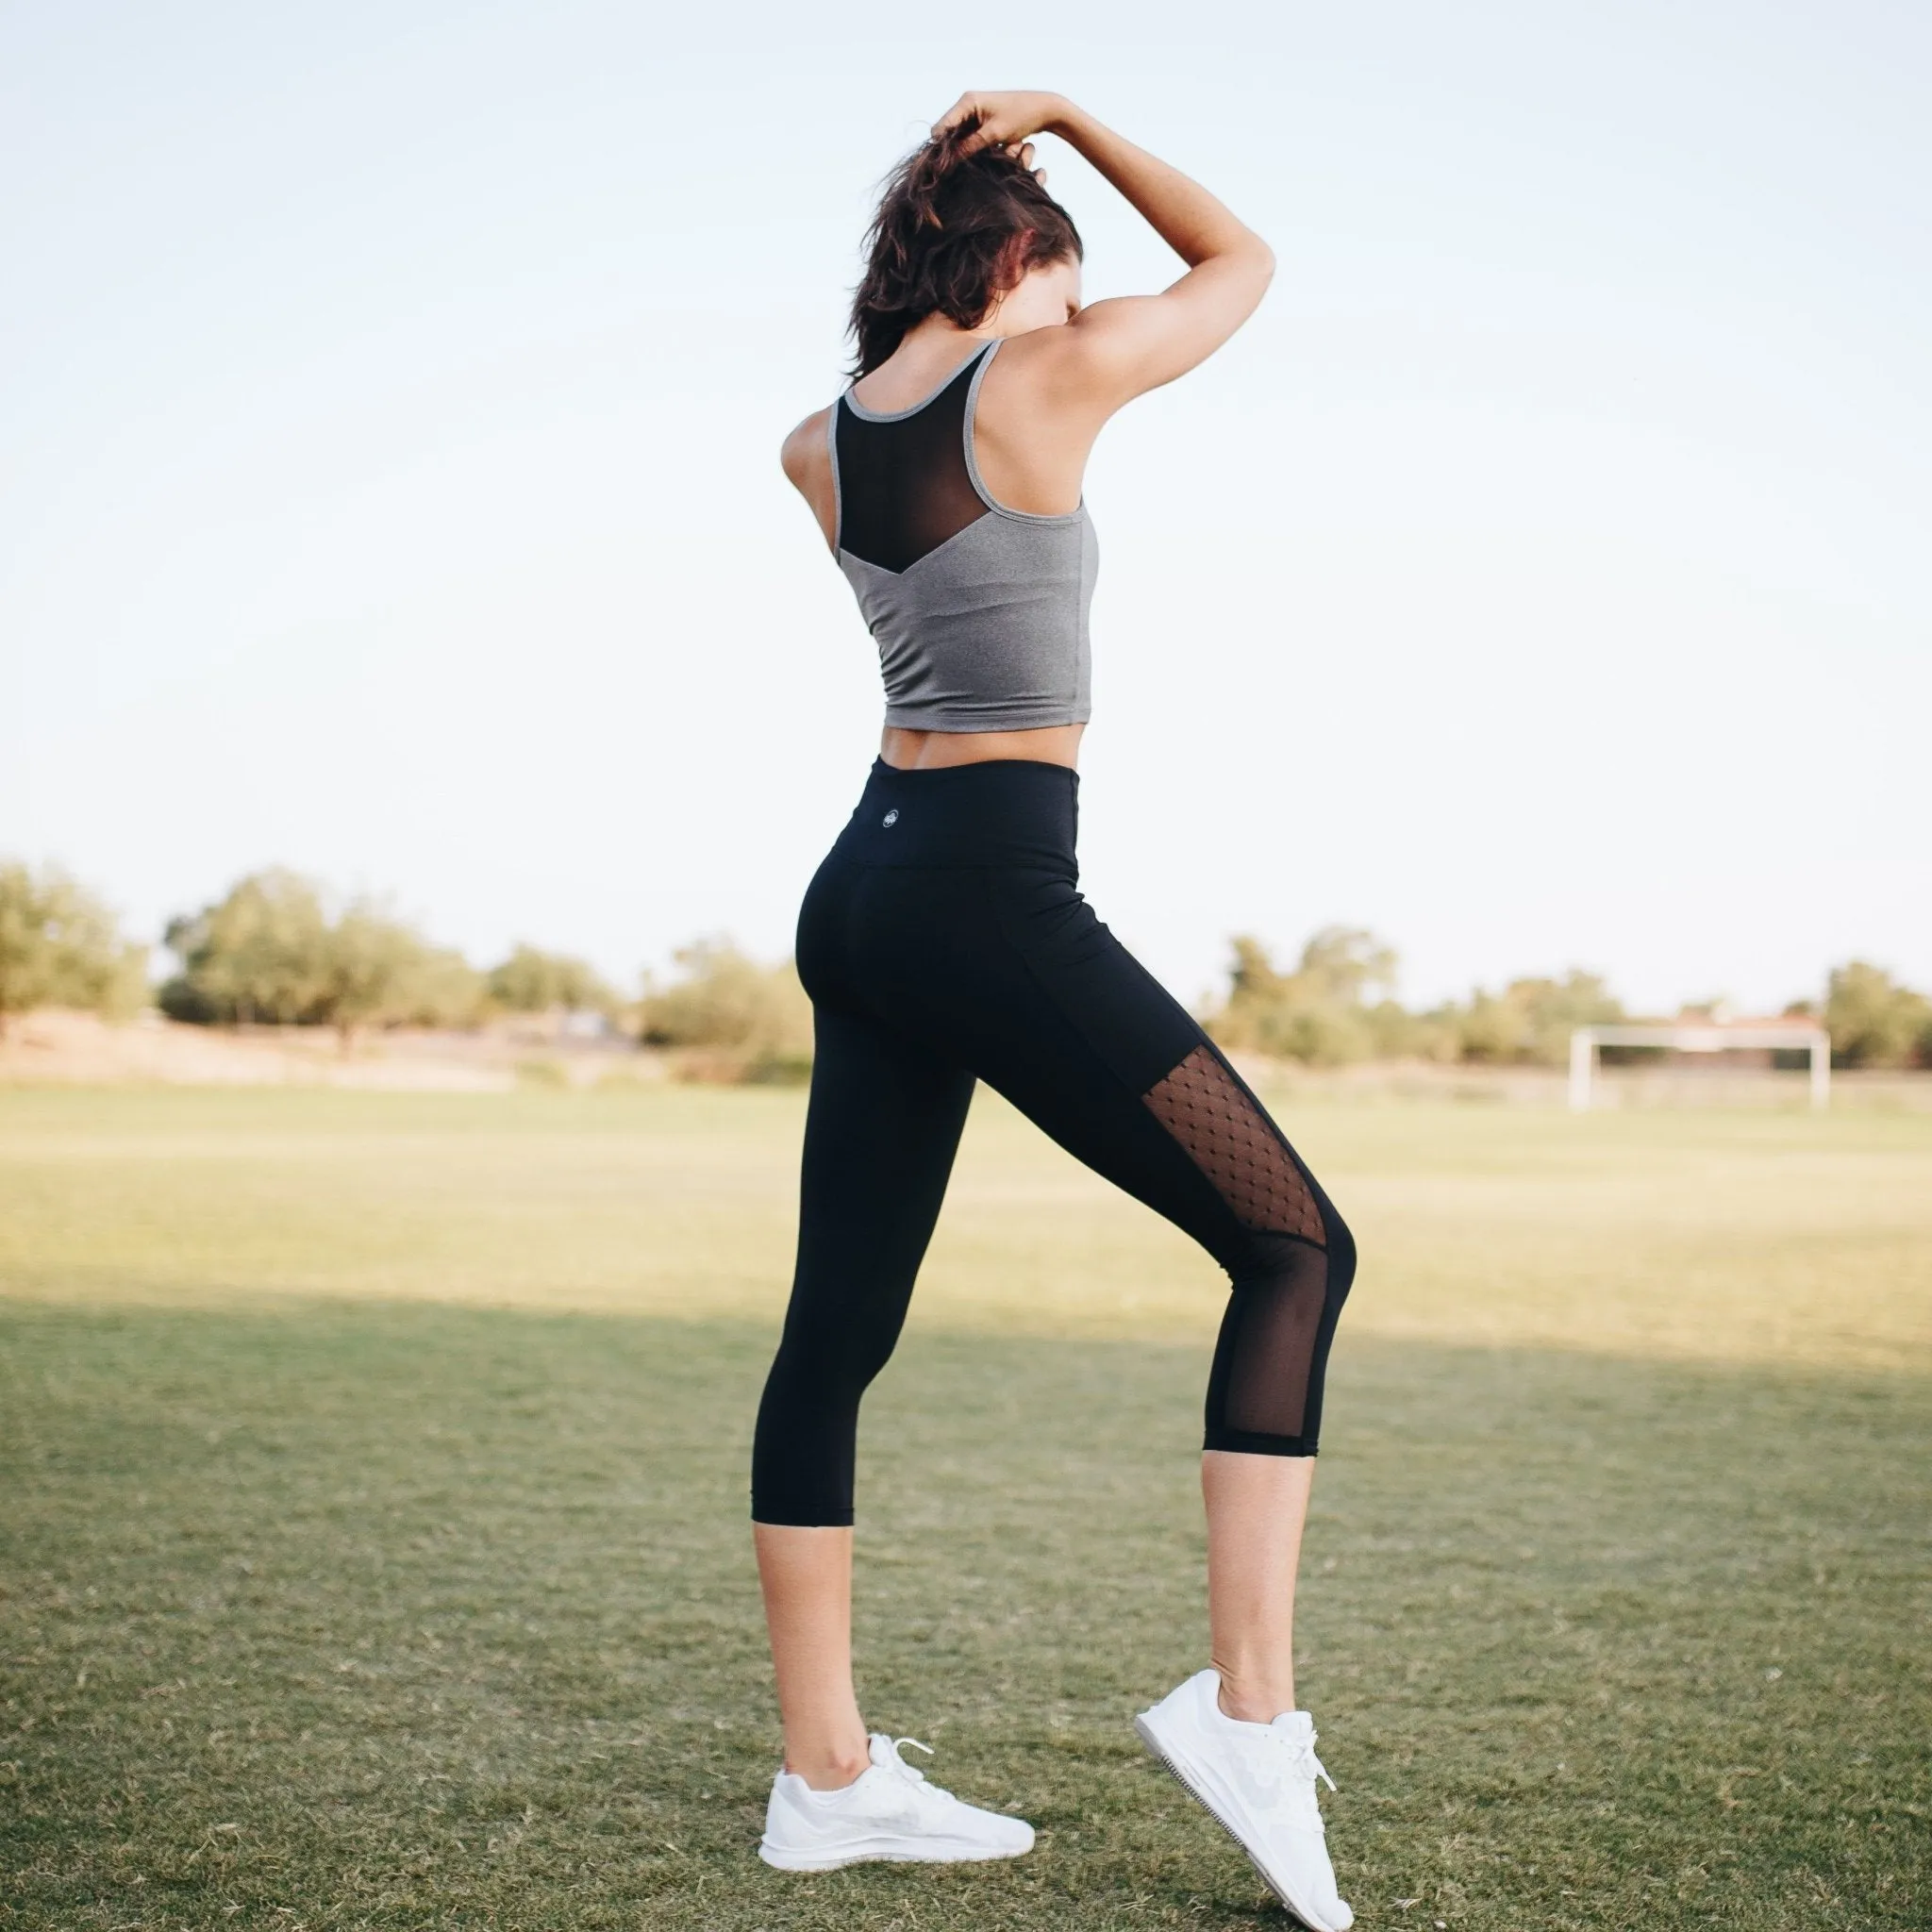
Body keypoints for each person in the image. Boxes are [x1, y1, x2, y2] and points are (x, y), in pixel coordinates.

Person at [751, 90, 1357, 1932]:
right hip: (983, 887)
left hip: (859, 884)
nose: (1076, 308)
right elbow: (1242, 264)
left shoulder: (811, 441)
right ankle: (1247, 1716)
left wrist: (1002, 209)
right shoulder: (1040, 379)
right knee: (1293, 1248)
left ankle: (825, 1781)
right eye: (1058, 275)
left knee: (831, 1340)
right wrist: (1080, 126)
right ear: (1015, 257)